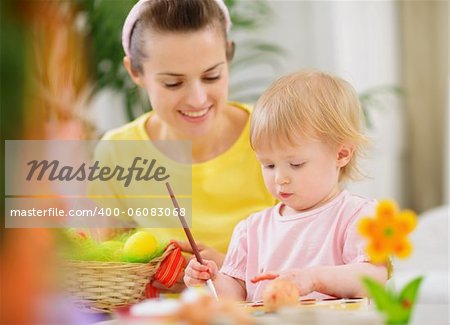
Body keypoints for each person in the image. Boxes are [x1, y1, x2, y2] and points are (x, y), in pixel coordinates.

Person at [89, 0, 275, 292]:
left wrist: (233, 271)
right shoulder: (117, 153)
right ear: (135, 72)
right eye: (173, 83)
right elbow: (107, 274)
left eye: (212, 76)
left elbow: (319, 257)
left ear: (228, 55)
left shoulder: (274, 133)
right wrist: (153, 276)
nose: (197, 99)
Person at [184, 70, 388, 301]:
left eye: (296, 164)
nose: (280, 178)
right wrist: (212, 280)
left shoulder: (359, 216)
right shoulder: (250, 230)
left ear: (341, 154)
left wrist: (314, 279)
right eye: (268, 165)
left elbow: (373, 279)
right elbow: (236, 296)